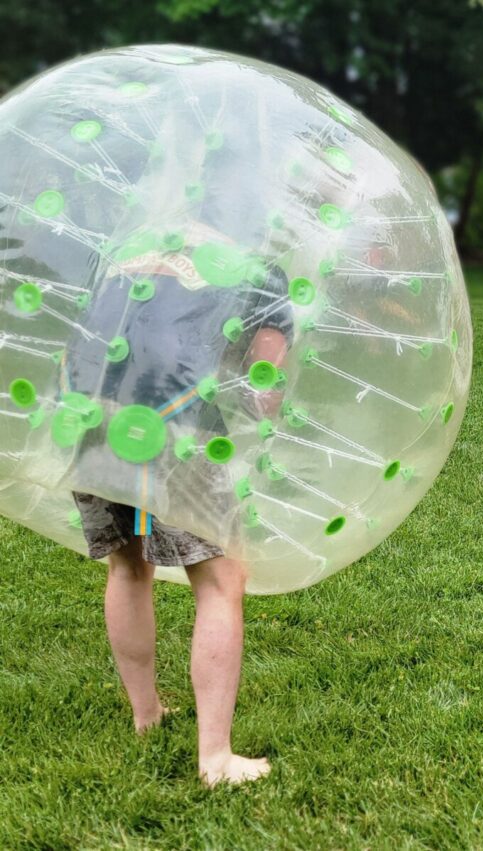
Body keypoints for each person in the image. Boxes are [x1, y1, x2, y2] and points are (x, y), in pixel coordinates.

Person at [64, 218, 293, 785]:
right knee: (221, 579)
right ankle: (215, 759)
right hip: (175, 423)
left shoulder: (129, 241)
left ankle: (147, 716)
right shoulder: (260, 270)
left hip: (89, 414)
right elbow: (263, 391)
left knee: (128, 564)